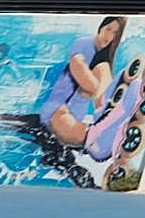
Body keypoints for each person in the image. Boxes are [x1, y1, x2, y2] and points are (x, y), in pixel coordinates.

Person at [38, 16, 126, 146]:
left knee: (103, 68)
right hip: (57, 111)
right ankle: (104, 119)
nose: (109, 35)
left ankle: (106, 116)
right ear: (101, 28)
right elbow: (78, 67)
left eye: (115, 33)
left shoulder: (104, 61)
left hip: (76, 115)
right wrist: (100, 93)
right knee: (77, 132)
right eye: (108, 29)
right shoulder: (84, 43)